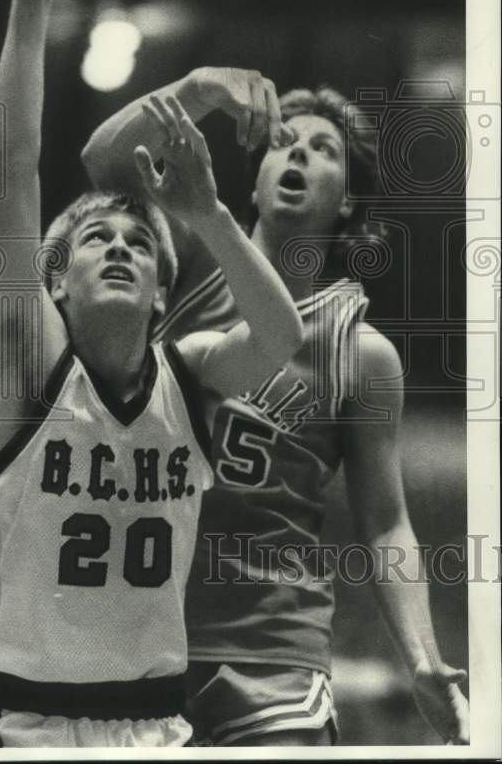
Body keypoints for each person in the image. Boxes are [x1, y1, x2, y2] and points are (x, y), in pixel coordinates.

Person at [0, 0, 303, 749]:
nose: (118, 248)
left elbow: (280, 340)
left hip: (156, 724)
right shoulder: (30, 367)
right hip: (26, 723)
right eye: (94, 239)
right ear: (56, 283)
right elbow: (13, 162)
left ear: (162, 292)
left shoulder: (185, 377)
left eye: (139, 244)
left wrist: (212, 218)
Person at [83, 68, 471, 746]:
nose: (297, 153)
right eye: (282, 142)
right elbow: (106, 158)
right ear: (255, 179)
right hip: (138, 629)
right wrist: (201, 88)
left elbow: (385, 522)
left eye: (323, 149)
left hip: (272, 654)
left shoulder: (363, 353)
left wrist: (421, 658)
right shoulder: (185, 259)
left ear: (349, 201)